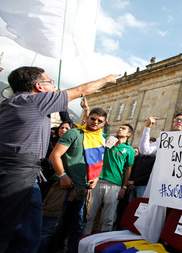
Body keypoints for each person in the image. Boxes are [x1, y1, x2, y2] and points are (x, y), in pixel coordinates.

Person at [0, 66, 117, 252]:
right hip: (21, 176)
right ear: (39, 86)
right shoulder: (36, 101)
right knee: (24, 237)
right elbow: (81, 91)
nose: (55, 85)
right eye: (50, 82)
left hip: (20, 174)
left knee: (25, 233)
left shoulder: (10, 103)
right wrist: (108, 78)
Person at [39, 108, 108, 253]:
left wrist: (95, 178)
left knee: (76, 229)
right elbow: (55, 156)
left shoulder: (101, 140)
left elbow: (98, 162)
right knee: (49, 227)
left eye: (99, 120)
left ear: (104, 123)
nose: (95, 122)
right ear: (87, 118)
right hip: (62, 187)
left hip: (82, 190)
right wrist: (63, 176)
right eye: (93, 118)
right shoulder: (74, 133)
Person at [84, 124, 136, 234]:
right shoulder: (108, 141)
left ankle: (102, 243)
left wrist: (124, 187)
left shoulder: (129, 150)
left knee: (108, 218)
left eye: (123, 128)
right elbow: (97, 129)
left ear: (128, 134)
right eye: (120, 127)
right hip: (98, 181)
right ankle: (84, 240)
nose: (120, 129)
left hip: (115, 185)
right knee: (89, 215)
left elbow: (128, 169)